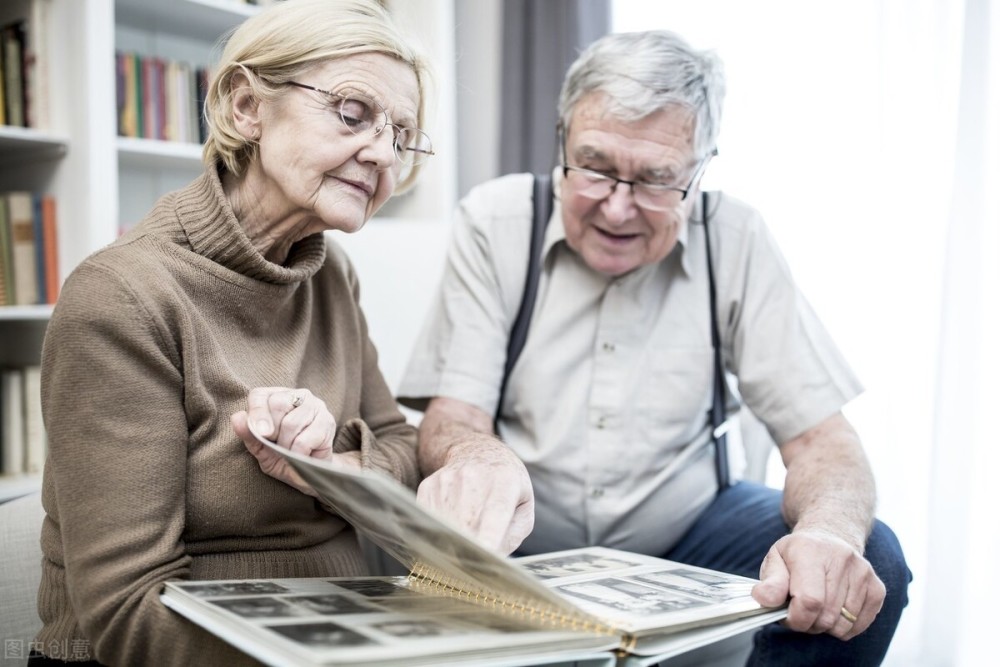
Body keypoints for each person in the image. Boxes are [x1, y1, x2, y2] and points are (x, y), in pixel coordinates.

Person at [32, 1, 528, 665]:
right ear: (246, 107)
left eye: (402, 135)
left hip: (347, 636)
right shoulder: (123, 297)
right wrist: (348, 650)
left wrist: (330, 467)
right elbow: (128, 616)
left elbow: (402, 447)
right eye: (353, 114)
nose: (383, 152)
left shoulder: (327, 273)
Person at [399, 29, 911, 665]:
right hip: (525, 540)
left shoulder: (736, 236)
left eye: (656, 180)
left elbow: (821, 442)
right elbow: (455, 417)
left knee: (867, 555)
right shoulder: (497, 219)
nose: (617, 209)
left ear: (701, 167)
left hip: (689, 532)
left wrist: (829, 533)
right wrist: (478, 459)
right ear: (562, 137)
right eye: (595, 167)